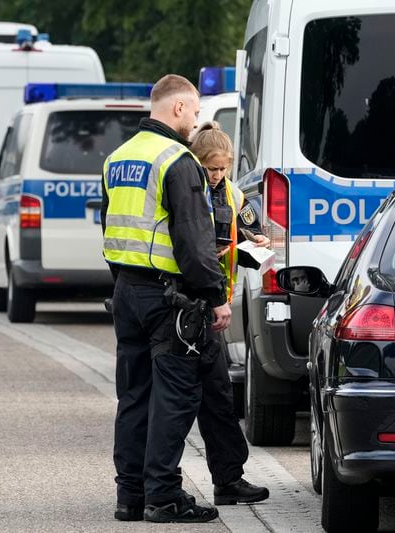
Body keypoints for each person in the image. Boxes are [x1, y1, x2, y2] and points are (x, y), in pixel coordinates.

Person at [100, 74, 230, 524]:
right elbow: (194, 242)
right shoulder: (178, 160)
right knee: (175, 396)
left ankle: (130, 496)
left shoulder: (117, 159)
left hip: (126, 292)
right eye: (194, 111)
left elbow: (110, 228)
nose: (196, 121)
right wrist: (215, 297)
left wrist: (124, 284)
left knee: (133, 396)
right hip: (168, 297)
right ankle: (165, 496)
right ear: (177, 108)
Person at [188, 121, 270, 505]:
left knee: (219, 396)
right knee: (197, 396)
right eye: (210, 168)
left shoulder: (234, 195)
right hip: (191, 302)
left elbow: (256, 232)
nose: (217, 175)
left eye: (222, 168)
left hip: (217, 303)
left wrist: (258, 242)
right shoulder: (188, 191)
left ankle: (228, 479)